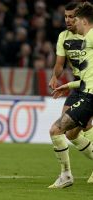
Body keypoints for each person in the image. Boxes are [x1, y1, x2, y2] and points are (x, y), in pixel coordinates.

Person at [50, 2, 93, 189]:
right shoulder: (65, 37)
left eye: (72, 17)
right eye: (65, 16)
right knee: (71, 133)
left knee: (58, 129)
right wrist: (59, 80)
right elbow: (60, 64)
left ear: (81, 19)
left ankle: (66, 175)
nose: (68, 20)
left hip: (89, 92)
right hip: (80, 85)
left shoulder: (89, 37)